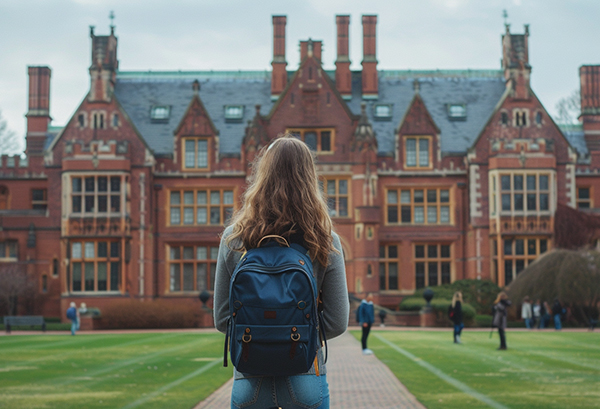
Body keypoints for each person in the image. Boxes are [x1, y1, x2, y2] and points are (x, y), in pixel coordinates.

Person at [213, 134, 349, 409]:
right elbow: (337, 322)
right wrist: (295, 335)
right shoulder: (324, 240)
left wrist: (262, 336)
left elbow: (222, 318)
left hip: (248, 382)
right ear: (309, 178)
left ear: (262, 175)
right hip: (305, 380)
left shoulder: (233, 238)